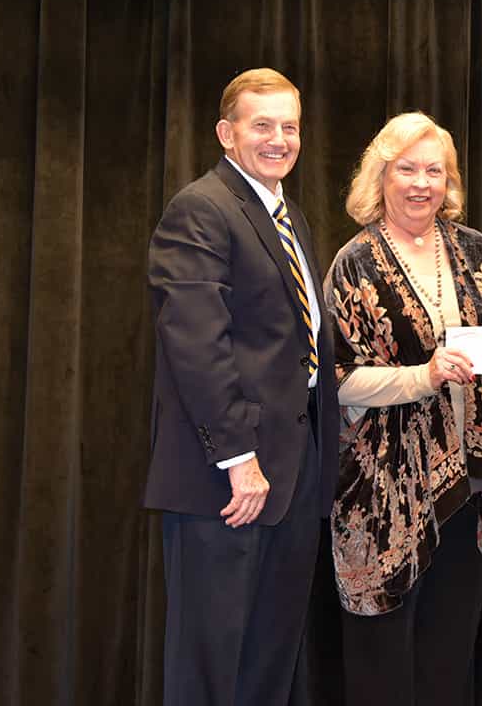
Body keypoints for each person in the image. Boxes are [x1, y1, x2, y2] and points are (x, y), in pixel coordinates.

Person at [143, 67, 339, 706]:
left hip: (292, 473)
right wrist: (239, 458)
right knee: (211, 665)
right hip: (230, 477)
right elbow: (197, 344)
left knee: (267, 660)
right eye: (263, 125)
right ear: (227, 134)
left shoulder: (285, 214)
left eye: (290, 127)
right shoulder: (202, 208)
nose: (279, 139)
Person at [322, 112, 482, 706]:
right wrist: (420, 377)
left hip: (470, 485)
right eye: (407, 169)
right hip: (382, 492)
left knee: (448, 658)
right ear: (381, 177)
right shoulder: (354, 262)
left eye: (434, 170)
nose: (421, 183)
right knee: (384, 663)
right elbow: (336, 380)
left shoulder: (477, 249)